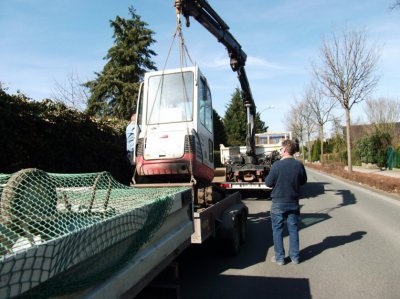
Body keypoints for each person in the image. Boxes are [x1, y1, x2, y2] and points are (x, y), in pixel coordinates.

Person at [265, 139, 307, 265]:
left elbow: (268, 183)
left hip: (278, 202)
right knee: (293, 229)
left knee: (277, 230)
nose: (280, 151)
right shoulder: (299, 165)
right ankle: (295, 257)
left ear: (284, 150)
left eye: (280, 149)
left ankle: (280, 258)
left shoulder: (276, 165)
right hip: (293, 201)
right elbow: (303, 181)